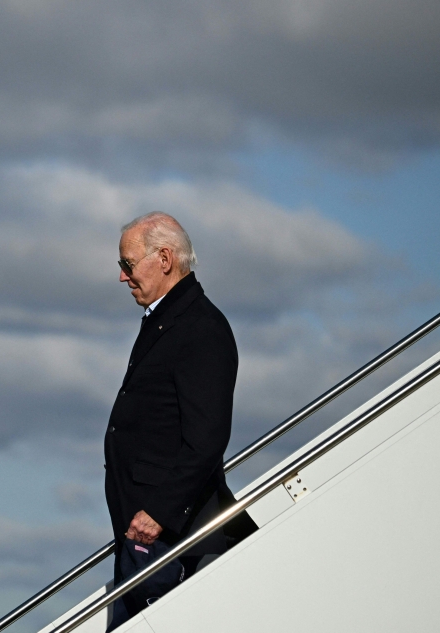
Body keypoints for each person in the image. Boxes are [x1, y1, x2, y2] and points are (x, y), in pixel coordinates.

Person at [104, 212, 249, 630]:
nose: (121, 277)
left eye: (127, 264)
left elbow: (207, 438)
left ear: (164, 258)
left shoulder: (200, 327)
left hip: (167, 536)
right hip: (144, 533)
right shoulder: (169, 320)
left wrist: (161, 512)